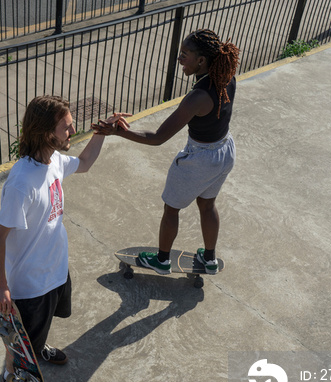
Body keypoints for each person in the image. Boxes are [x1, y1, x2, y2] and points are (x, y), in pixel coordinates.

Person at [0, 95, 129, 382]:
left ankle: (37, 349)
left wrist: (102, 133)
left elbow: (85, 163)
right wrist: (1, 286)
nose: (72, 131)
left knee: (44, 324)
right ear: (45, 132)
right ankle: (9, 377)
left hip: (55, 270)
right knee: (18, 342)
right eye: (66, 127)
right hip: (30, 285)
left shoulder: (53, 160)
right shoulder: (21, 183)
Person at [93, 29, 240, 275]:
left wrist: (118, 132)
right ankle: (210, 259)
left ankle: (162, 261)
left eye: (184, 55)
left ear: (201, 60)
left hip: (200, 158)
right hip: (224, 151)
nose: (180, 59)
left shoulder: (197, 97)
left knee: (171, 209)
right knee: (207, 204)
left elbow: (158, 138)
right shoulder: (226, 77)